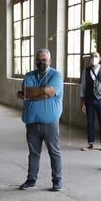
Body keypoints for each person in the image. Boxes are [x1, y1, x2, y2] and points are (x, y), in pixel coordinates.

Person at [17, 49, 64, 191]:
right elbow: (26, 91)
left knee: (54, 152)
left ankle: (57, 181)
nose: (41, 62)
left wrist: (31, 94)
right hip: (31, 122)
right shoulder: (30, 75)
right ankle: (31, 180)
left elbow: (47, 91)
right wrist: (43, 91)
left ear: (49, 61)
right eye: (39, 60)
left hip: (50, 122)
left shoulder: (56, 75)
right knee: (33, 153)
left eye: (44, 60)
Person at [78, 50, 101, 151]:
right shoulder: (86, 71)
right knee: (90, 121)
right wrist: (82, 102)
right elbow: (83, 87)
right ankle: (90, 143)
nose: (94, 58)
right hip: (89, 100)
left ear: (100, 59)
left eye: (96, 56)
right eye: (92, 56)